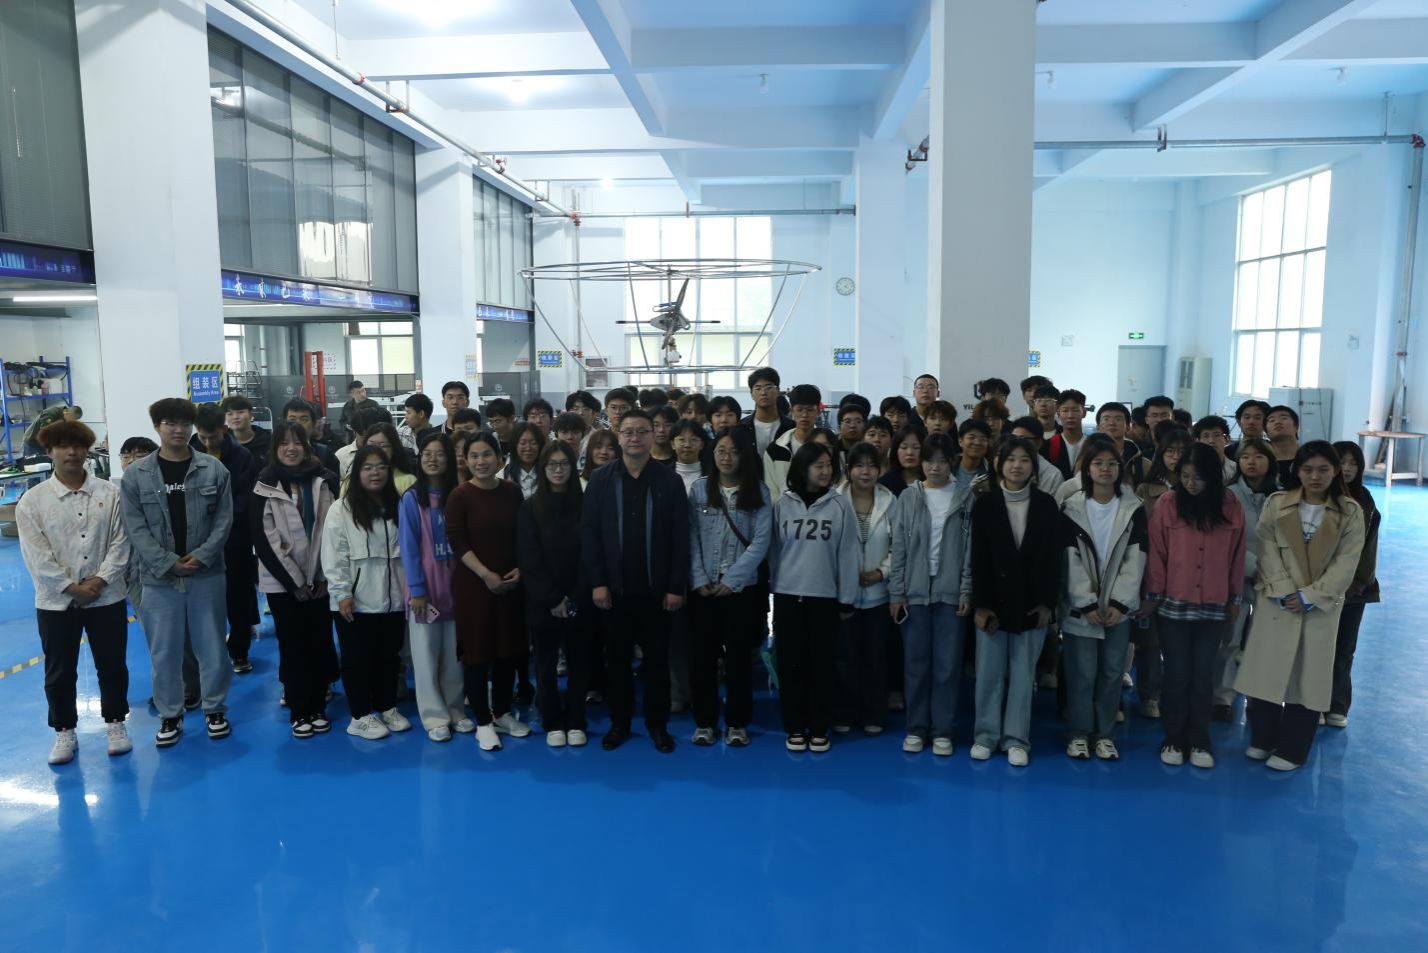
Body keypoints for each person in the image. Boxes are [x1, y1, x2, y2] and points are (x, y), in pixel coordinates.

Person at [1236, 442, 1365, 771]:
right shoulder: (1277, 503)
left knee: (1308, 679)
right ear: (1297, 471)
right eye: (1307, 469)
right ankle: (1262, 738)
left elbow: (1347, 563)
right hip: (1277, 601)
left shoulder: (1350, 512)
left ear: (1335, 472)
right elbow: (1265, 548)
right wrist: (1283, 589)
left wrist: (1310, 596)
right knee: (1265, 672)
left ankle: (1293, 749)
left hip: (1318, 606)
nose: (1315, 476)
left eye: (1323, 469)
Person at [120, 397, 234, 747]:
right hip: (158, 579)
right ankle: (170, 714)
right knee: (164, 652)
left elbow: (224, 520)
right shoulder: (136, 476)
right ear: (157, 427)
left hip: (206, 574)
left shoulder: (213, 469)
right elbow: (135, 527)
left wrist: (201, 556)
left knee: (212, 647)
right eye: (170, 423)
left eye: (185, 424)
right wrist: (168, 562)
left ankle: (215, 709)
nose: (178, 430)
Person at [17, 419, 132, 764]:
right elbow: (36, 555)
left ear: (87, 451)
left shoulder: (111, 494)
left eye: (78, 446)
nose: (72, 452)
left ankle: (116, 723)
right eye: (63, 446)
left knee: (112, 665)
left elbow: (121, 542)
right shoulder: (32, 502)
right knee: (60, 670)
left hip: (106, 596)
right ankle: (64, 730)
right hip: (56, 602)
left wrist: (99, 581)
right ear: (50, 452)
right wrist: (70, 588)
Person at [581, 408, 691, 753]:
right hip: (614, 590)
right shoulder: (601, 479)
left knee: (657, 662)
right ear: (619, 436)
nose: (635, 438)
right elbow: (590, 534)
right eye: (628, 431)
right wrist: (597, 582)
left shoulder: (669, 481)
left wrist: (675, 586)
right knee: (617, 661)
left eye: (642, 431)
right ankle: (620, 723)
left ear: (653, 435)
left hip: (656, 591)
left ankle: (658, 726)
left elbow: (680, 538)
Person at [1141, 444, 1247, 770]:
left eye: (1197, 477)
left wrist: (1235, 599)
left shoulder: (1231, 505)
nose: (1190, 483)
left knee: (1203, 676)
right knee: (1176, 674)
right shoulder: (1168, 503)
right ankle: (1173, 738)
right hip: (1173, 604)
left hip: (1214, 605)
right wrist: (1153, 596)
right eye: (1185, 476)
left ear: (1212, 476)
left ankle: (1200, 740)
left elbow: (1237, 556)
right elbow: (1157, 554)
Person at [968, 438, 1060, 766]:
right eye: (1010, 459)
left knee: (1023, 675)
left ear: (1033, 467)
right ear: (999, 464)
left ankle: (1017, 739)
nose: (1016, 465)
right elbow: (977, 558)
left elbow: (1054, 559)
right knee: (989, 674)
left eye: (1024, 459)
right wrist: (980, 605)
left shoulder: (1046, 505)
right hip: (992, 603)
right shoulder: (985, 504)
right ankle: (985, 736)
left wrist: (1048, 603)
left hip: (1032, 604)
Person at [1059, 434, 1147, 761]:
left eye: (1112, 463)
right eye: (1098, 463)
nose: (1105, 469)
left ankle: (1105, 735)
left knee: (1112, 674)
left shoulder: (1133, 508)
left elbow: (1136, 559)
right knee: (1081, 675)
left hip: (1117, 611)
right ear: (1087, 468)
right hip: (1081, 609)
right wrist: (1086, 601)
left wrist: (1120, 602)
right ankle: (1079, 734)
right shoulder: (1071, 507)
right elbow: (1069, 559)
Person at [887, 432, 975, 754]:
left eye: (941, 461)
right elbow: (898, 549)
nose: (934, 467)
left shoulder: (966, 497)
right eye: (929, 461)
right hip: (914, 593)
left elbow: (970, 551)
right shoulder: (908, 497)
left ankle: (942, 731)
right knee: (915, 664)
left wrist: (966, 589)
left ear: (952, 461)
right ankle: (916, 728)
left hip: (950, 593)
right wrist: (897, 593)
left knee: (947, 666)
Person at [769, 442, 860, 753]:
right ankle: (795, 726)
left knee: (821, 665)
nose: (825, 471)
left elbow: (848, 554)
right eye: (818, 465)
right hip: (787, 597)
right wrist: (774, 588)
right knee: (790, 664)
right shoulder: (783, 504)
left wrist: (846, 598)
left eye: (829, 465)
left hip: (825, 598)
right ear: (803, 468)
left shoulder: (840, 505)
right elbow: (774, 552)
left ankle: (819, 727)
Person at [251, 421, 338, 739]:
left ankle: (317, 707)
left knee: (319, 642)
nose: (291, 448)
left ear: (307, 446)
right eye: (284, 443)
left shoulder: (324, 481)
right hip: (282, 585)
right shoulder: (264, 485)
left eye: (297, 442)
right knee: (293, 646)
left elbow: (333, 531)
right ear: (274, 449)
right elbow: (265, 540)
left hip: (320, 581)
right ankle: (300, 710)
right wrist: (295, 583)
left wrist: (322, 576)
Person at [687, 428, 773, 746]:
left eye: (734, 452)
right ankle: (705, 723)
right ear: (712, 454)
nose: (727, 457)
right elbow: (690, 538)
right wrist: (699, 578)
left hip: (741, 591)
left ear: (744, 457)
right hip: (704, 591)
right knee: (702, 661)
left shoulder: (758, 492)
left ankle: (737, 723)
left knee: (738, 661)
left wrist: (731, 580)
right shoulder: (699, 489)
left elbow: (761, 542)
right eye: (721, 450)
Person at [445, 432, 529, 751]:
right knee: (477, 655)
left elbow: (524, 534)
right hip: (474, 587)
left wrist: (521, 568)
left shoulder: (512, 492)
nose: (481, 461)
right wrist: (485, 574)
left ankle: (502, 713)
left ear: (499, 458)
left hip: (510, 584)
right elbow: (457, 542)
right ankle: (482, 721)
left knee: (509, 650)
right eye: (474, 456)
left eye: (487, 454)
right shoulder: (460, 496)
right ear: (466, 460)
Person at [321, 445, 410, 741]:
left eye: (381, 467)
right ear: (356, 472)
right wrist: (342, 592)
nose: (375, 473)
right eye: (368, 467)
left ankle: (387, 706)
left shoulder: (398, 506)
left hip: (393, 599)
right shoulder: (341, 509)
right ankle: (359, 716)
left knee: (389, 656)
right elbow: (334, 555)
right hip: (355, 600)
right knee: (357, 658)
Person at [517, 440, 592, 747]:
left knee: (579, 665)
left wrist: (574, 597)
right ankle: (552, 721)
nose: (558, 470)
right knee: (545, 666)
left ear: (572, 468)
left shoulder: (586, 504)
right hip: (543, 602)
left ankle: (576, 720)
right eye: (552, 464)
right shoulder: (530, 507)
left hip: (579, 599)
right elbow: (528, 557)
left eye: (564, 464)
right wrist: (552, 598)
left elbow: (590, 554)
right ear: (543, 468)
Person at [400, 431, 471, 743]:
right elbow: (409, 548)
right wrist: (417, 589)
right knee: (426, 657)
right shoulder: (411, 499)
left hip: (457, 590)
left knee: (455, 658)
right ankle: (434, 716)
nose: (433, 459)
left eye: (440, 453)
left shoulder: (459, 495)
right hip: (426, 592)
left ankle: (455, 710)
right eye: (427, 453)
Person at [831, 442, 897, 737]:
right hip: (842, 595)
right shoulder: (834, 500)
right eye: (859, 465)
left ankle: (874, 713)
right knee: (843, 657)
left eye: (872, 465)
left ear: (880, 470)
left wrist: (881, 572)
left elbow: (899, 545)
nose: (866, 472)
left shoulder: (891, 501)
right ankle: (843, 712)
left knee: (875, 658)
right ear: (848, 470)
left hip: (878, 594)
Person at [192, 404, 260, 677]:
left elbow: (247, 497)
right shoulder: (189, 453)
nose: (208, 443)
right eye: (203, 437)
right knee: (202, 603)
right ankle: (206, 655)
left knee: (238, 598)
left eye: (213, 437)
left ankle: (239, 652)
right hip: (198, 542)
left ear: (224, 428)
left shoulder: (242, 457)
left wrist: (220, 515)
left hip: (235, 540)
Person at [1212, 437, 1277, 720]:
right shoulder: (1227, 495)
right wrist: (1252, 565)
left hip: (1273, 577)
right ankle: (1222, 697)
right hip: (1235, 575)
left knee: (1263, 640)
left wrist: (1272, 569)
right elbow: (1224, 538)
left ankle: (1258, 696)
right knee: (1230, 638)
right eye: (1246, 456)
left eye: (1259, 456)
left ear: (1270, 462)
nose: (1252, 462)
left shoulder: (1282, 496)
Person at [1325, 441, 1379, 729]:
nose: (1346, 468)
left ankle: (1337, 704)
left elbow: (1368, 549)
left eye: (1353, 463)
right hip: (1321, 588)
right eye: (1341, 462)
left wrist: (1358, 582)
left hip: (1354, 590)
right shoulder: (1319, 498)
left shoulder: (1366, 501)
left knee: (1345, 648)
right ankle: (1314, 701)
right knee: (1319, 646)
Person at [764, 383, 822, 502]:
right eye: (799, 410)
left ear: (818, 411)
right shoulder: (775, 450)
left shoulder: (828, 445)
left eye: (810, 410)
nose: (804, 415)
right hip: (785, 511)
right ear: (791, 411)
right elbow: (772, 493)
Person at [736, 367, 794, 458]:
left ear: (778, 391)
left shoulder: (791, 427)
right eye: (758, 388)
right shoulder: (742, 427)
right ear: (752, 394)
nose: (763, 392)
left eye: (768, 387)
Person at [346, 423, 416, 496]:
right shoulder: (352, 479)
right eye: (372, 445)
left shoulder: (408, 481)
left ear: (394, 449)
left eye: (383, 446)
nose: (376, 450)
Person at [1093, 402, 1147, 487]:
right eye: (1106, 419)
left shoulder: (1143, 463)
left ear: (1128, 427)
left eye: (1118, 419)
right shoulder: (1087, 458)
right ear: (1098, 427)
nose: (1112, 423)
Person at [1008, 416, 1064, 496]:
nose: (1016, 444)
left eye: (1022, 439)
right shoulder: (1004, 466)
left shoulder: (1052, 475)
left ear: (1038, 443)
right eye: (1013, 438)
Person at [283, 399, 339, 473]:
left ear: (313, 424)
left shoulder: (325, 454)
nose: (298, 424)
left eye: (304, 420)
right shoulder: (275, 453)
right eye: (292, 420)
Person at [1045, 389, 1089, 478]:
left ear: (1084, 413)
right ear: (1058, 413)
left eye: (1075, 410)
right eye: (1065, 411)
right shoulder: (1048, 445)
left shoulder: (1092, 445)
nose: (1070, 416)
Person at [222, 396, 272, 464]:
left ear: (251, 414)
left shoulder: (267, 440)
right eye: (230, 414)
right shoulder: (222, 441)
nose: (235, 417)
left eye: (240, 412)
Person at [502, 421, 546, 499]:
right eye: (523, 443)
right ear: (515, 445)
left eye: (533, 443)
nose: (528, 448)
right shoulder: (503, 476)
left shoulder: (548, 472)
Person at [878, 427, 923, 496]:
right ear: (896, 451)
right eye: (904, 447)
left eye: (916, 447)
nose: (909, 452)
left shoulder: (932, 481)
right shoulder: (884, 485)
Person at [1265, 405, 1301, 488]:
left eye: (1284, 418)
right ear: (1266, 432)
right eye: (1271, 420)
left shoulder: (1309, 456)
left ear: (1296, 427)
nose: (1277, 422)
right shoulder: (1262, 460)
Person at [669, 418, 709, 492]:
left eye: (693, 439)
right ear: (672, 444)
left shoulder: (712, 475)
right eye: (682, 439)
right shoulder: (663, 474)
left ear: (702, 445)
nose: (687, 445)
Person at [954, 419, 994, 491]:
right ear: (960, 441)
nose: (977, 442)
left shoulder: (992, 473)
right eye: (971, 437)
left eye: (983, 439)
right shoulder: (947, 469)